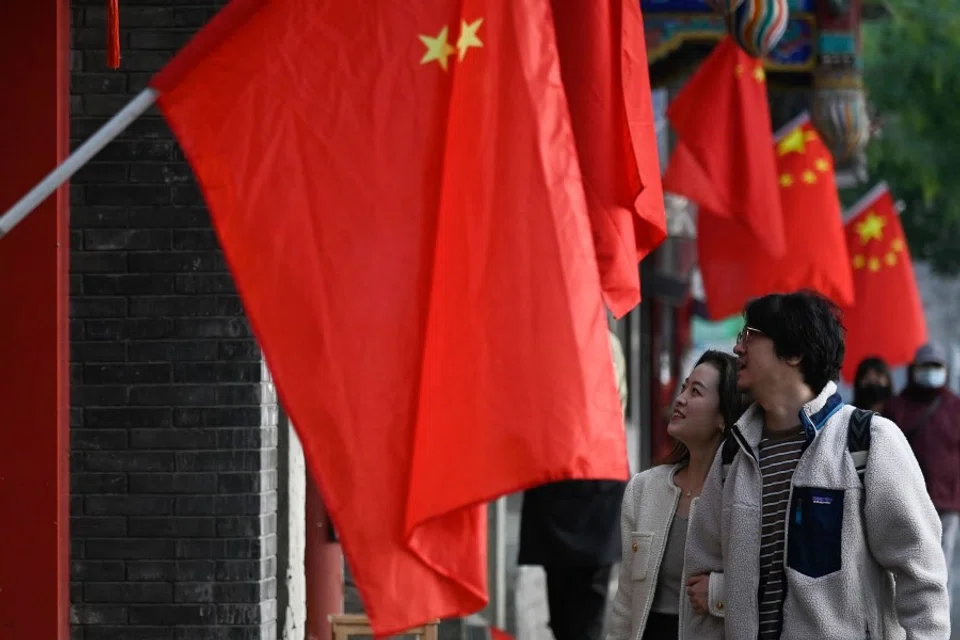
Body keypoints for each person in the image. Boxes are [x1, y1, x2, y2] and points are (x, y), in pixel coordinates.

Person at [685, 291, 949, 640]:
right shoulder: (734, 453)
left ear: (793, 352)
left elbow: (922, 576)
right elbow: (702, 577)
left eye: (750, 336)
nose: (737, 349)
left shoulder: (869, 442)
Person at [607, 350, 748, 640]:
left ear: (723, 417)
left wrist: (718, 594)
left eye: (695, 392)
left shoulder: (741, 497)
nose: (680, 398)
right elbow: (625, 600)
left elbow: (766, 587)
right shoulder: (644, 489)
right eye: (683, 387)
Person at [518, 330, 629, 640]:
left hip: (594, 485)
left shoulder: (601, 340)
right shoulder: (549, 337)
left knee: (585, 617)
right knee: (564, 616)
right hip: (558, 485)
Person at [885, 343, 960, 609]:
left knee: (943, 569)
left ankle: (940, 629)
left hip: (947, 504)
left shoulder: (954, 406)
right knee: (909, 568)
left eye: (936, 366)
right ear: (913, 369)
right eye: (925, 366)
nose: (931, 372)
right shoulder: (898, 406)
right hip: (908, 503)